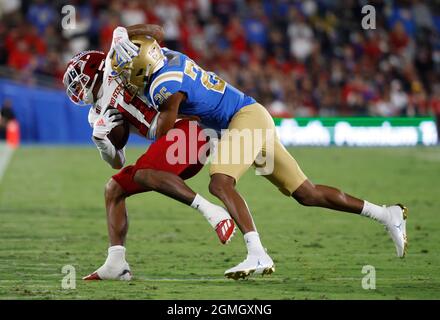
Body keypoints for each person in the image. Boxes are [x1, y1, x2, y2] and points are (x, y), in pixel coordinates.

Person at [113, 25, 409, 280]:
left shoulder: (164, 86)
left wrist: (122, 112)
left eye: (128, 70)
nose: (124, 76)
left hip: (244, 118)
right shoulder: (166, 56)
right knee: (307, 193)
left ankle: (257, 253)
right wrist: (123, 35)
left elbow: (162, 132)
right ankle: (385, 213)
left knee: (220, 181)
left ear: (143, 65)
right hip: (250, 116)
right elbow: (157, 33)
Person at [62, 26, 236, 281]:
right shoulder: (94, 115)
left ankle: (214, 212)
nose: (76, 90)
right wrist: (103, 143)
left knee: (144, 173)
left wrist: (122, 32)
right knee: (114, 188)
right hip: (170, 141)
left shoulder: (115, 61)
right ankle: (116, 263)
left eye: (78, 80)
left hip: (191, 129)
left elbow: (158, 32)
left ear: (94, 72)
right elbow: (117, 161)